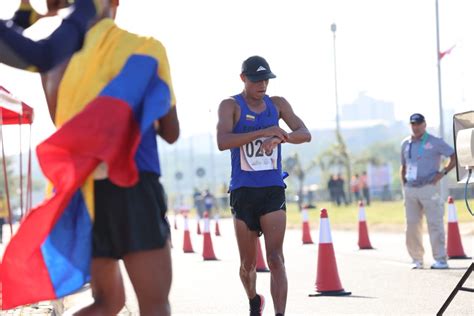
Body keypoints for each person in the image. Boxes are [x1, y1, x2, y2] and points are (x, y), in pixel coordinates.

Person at [1, 1, 179, 314]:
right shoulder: (146, 48)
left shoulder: (55, 63)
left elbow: (63, 120)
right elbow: (171, 131)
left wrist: (27, 16)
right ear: (114, 4)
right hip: (132, 182)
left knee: (107, 301)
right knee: (154, 304)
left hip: (84, 194)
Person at [217, 55, 311, 316]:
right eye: (256, 80)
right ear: (243, 78)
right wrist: (262, 133)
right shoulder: (230, 105)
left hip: (271, 189)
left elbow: (305, 133)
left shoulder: (277, 105)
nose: (262, 85)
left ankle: (280, 313)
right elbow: (223, 141)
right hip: (243, 192)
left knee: (275, 258)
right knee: (248, 264)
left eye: (266, 79)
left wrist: (283, 138)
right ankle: (253, 300)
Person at [400, 113, 456, 270]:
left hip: (429, 187)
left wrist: (442, 173)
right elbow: (403, 166)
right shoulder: (406, 143)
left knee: (435, 223)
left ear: (424, 125)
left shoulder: (434, 142)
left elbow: (454, 156)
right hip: (411, 188)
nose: (416, 127)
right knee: (411, 225)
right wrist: (404, 185)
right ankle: (416, 259)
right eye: (413, 124)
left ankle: (440, 259)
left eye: (418, 124)